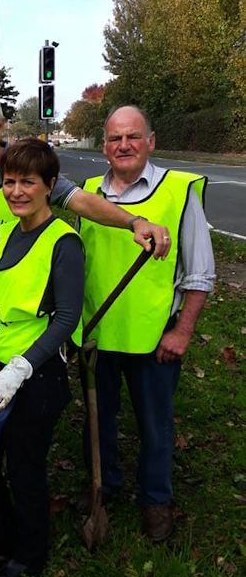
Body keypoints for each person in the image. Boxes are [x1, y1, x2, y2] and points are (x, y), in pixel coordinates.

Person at [0, 89, 172, 384]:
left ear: (1, 125)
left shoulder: (27, 170)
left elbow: (80, 200)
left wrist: (133, 221)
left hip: (23, 324)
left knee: (22, 412)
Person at [77, 105, 215, 541]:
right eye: (115, 138)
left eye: (133, 137)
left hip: (155, 336)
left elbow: (199, 271)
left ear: (150, 142)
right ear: (104, 146)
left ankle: (156, 499)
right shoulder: (87, 194)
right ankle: (106, 483)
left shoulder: (178, 191)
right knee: (99, 419)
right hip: (98, 333)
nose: (124, 145)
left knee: (156, 424)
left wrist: (183, 330)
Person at [0, 138, 84, 577]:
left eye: (27, 182)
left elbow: (68, 317)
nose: (15, 191)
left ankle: (30, 555)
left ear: (49, 185)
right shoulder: (8, 234)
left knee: (24, 466)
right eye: (9, 181)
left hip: (35, 376)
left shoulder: (62, 242)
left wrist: (19, 369)